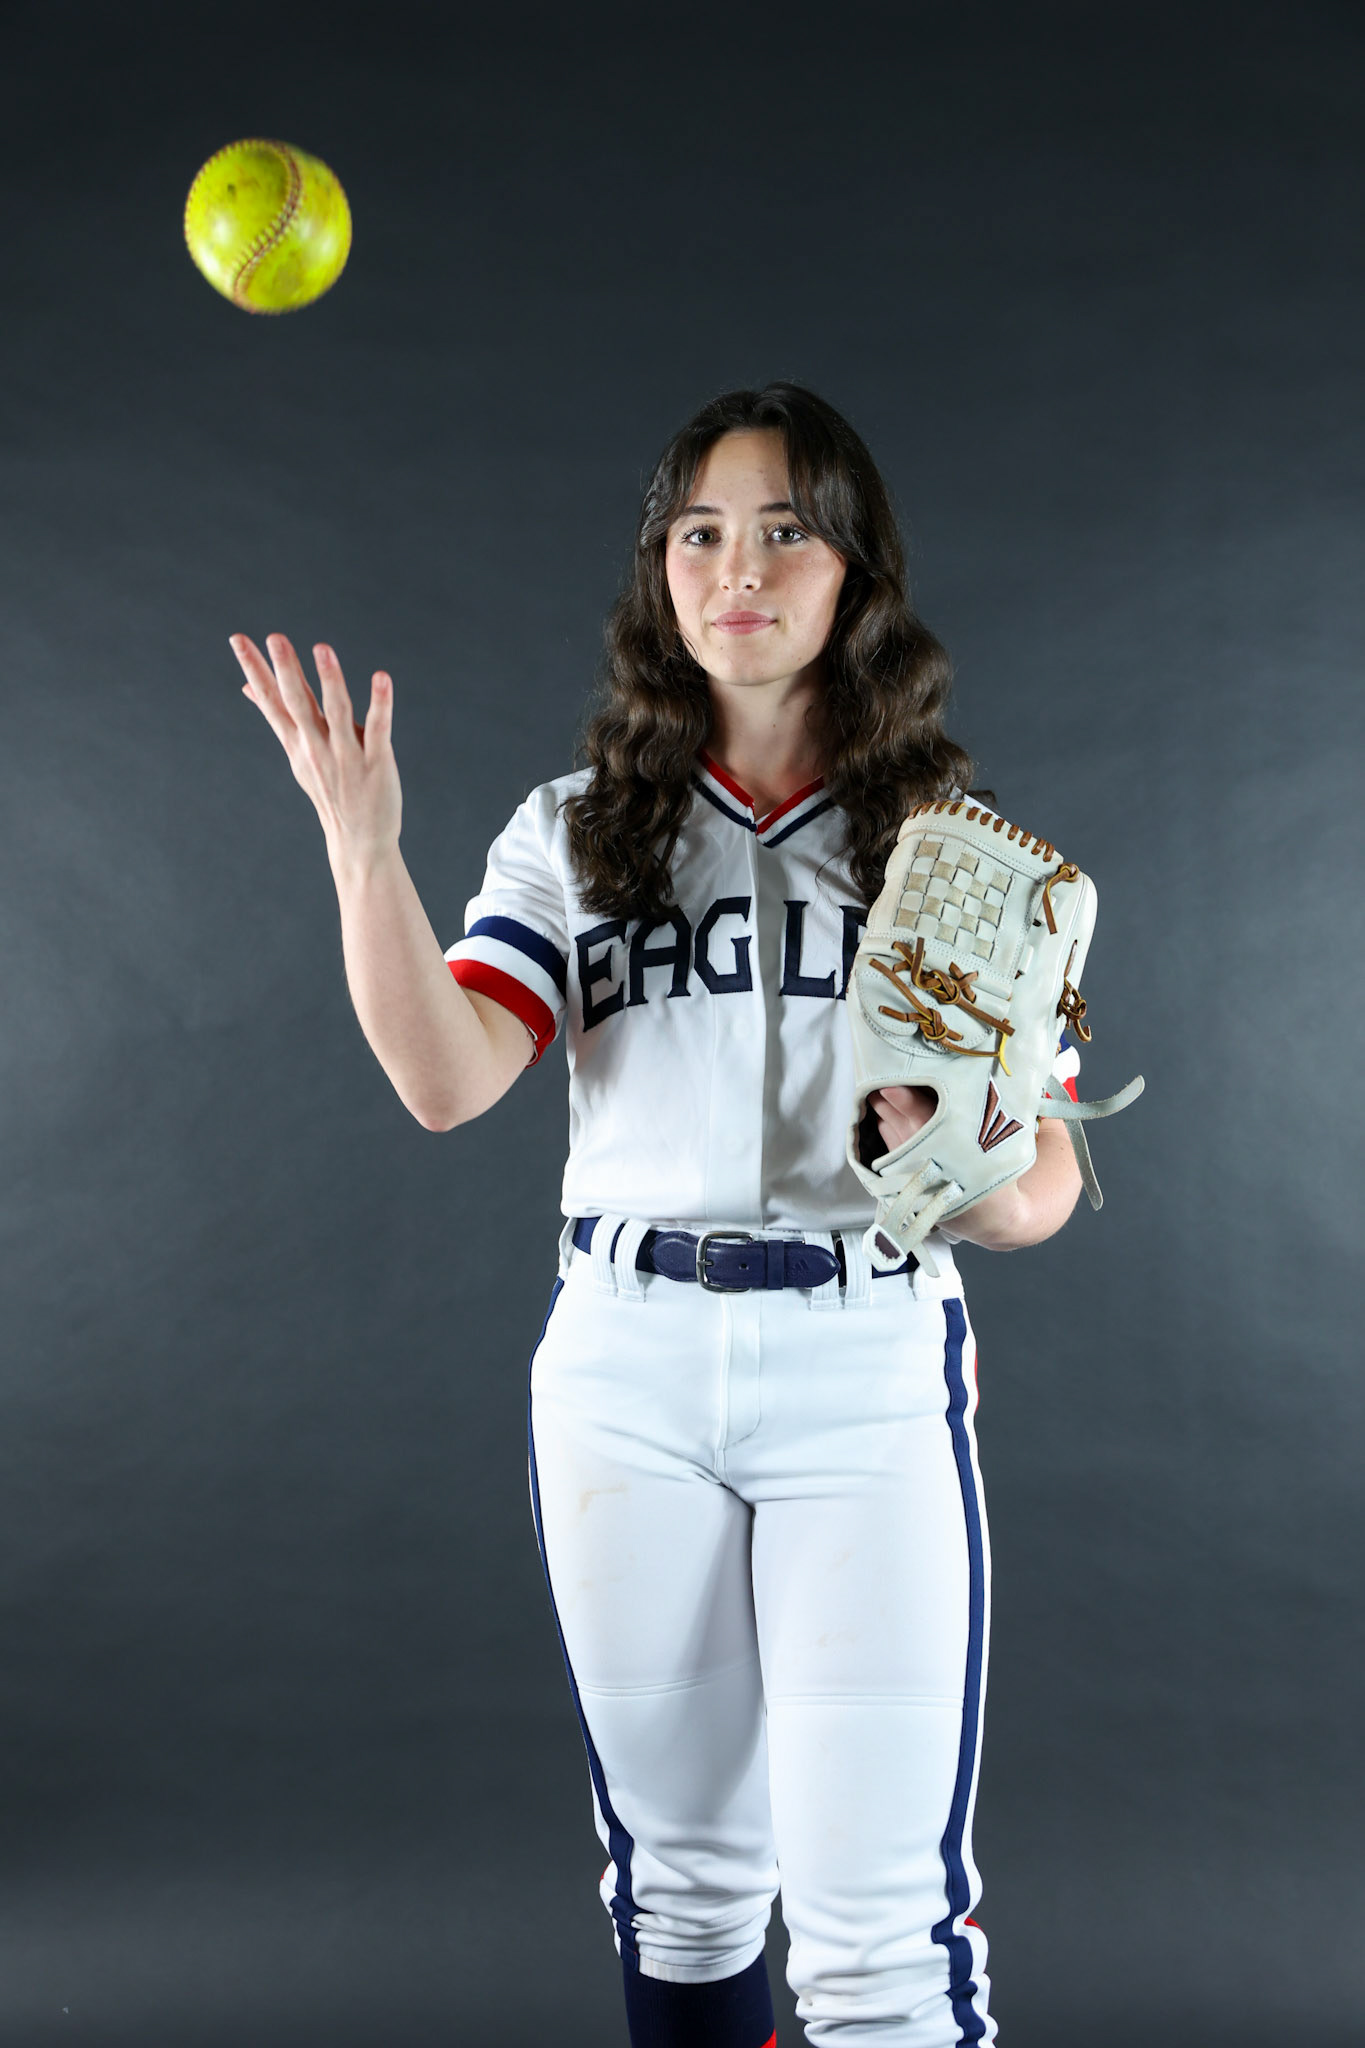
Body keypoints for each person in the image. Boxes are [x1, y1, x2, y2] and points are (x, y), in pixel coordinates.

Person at [231, 382, 1084, 2048]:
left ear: (855, 575)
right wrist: (362, 852)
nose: (735, 568)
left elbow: (1040, 1189)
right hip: (625, 1365)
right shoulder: (574, 831)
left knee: (881, 1938)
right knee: (681, 1893)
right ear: (659, 570)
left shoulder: (951, 857)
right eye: (699, 532)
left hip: (860, 1363)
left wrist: (970, 1166)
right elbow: (446, 1079)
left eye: (783, 531)